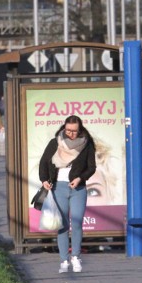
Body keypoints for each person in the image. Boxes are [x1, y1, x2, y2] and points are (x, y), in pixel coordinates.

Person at [39, 115, 96, 273]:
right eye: (68, 130)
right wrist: (44, 179)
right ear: (64, 128)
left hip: (78, 188)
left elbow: (91, 167)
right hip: (58, 187)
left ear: (80, 129)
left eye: (74, 131)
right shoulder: (55, 142)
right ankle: (64, 260)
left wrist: (80, 178)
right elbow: (44, 161)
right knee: (62, 225)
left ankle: (76, 257)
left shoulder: (87, 144)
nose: (71, 134)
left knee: (77, 222)